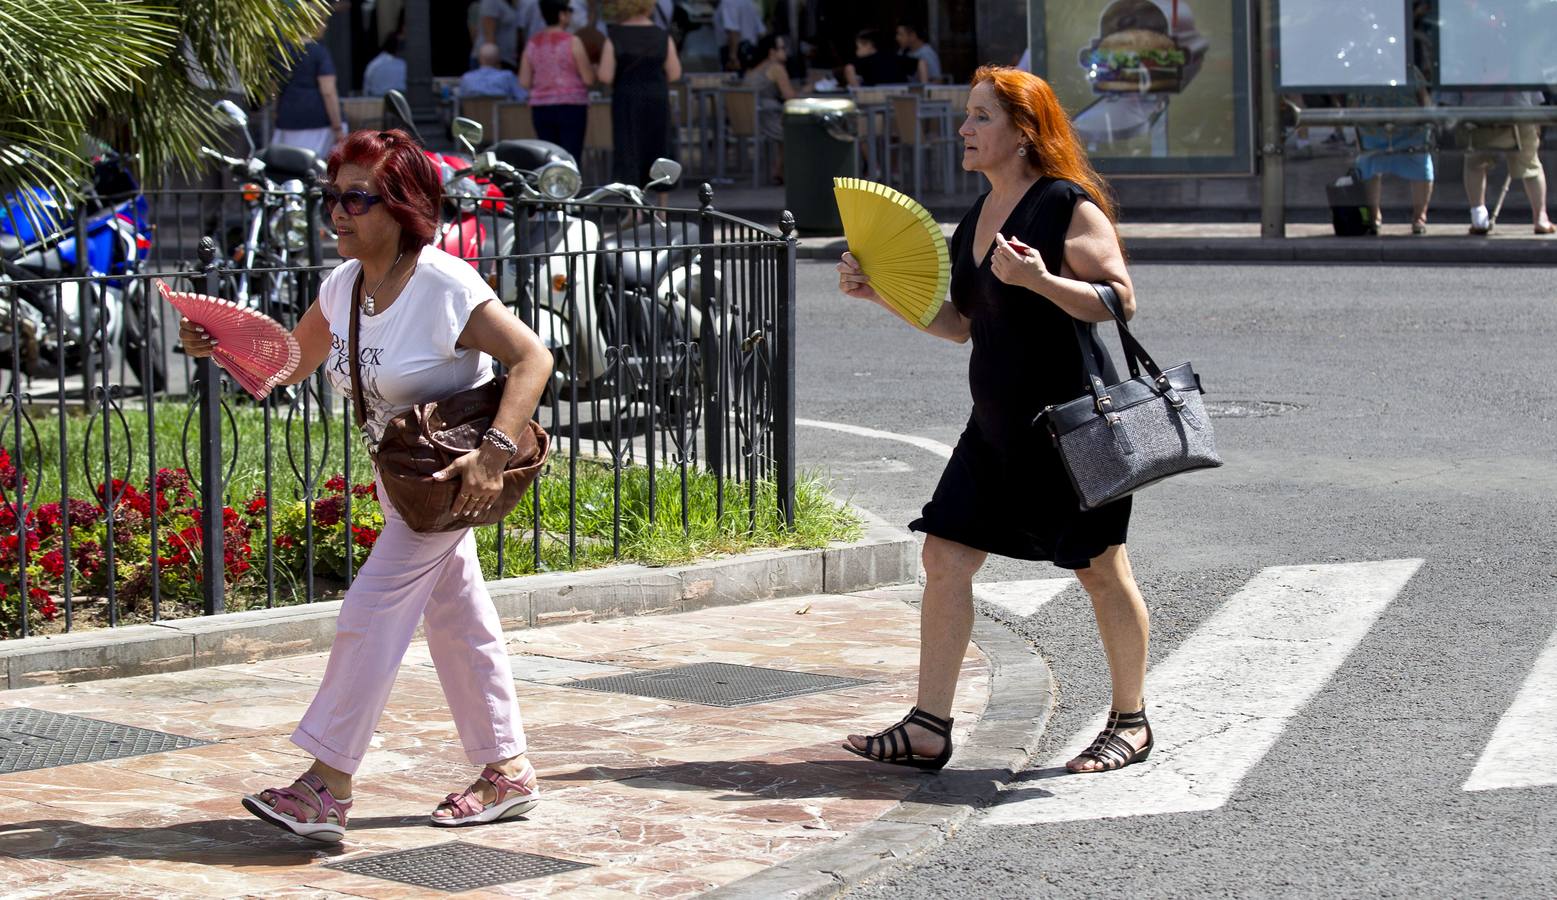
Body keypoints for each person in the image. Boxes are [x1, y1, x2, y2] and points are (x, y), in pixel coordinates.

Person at [180, 129, 555, 840]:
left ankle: (326, 784)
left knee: (370, 612)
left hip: (446, 482)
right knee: (458, 624)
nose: (339, 213)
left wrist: (493, 455)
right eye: (333, 197)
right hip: (402, 479)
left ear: (404, 204)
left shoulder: (444, 283)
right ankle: (506, 769)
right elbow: (287, 368)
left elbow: (532, 358)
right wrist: (218, 345)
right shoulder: (344, 284)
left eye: (359, 198)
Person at [836, 66, 1153, 775]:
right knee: (944, 555)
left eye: (980, 117)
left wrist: (1041, 280)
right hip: (995, 429)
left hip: (1072, 428)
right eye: (967, 116)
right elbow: (958, 327)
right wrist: (881, 293)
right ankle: (928, 726)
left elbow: (1119, 301)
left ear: (1022, 133)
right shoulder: (973, 220)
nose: (964, 130)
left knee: (1099, 570)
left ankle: (1129, 722)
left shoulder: (1065, 207)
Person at [598, 0, 682, 201]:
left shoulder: (615, 36)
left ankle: (633, 207)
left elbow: (605, 75)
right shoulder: (662, 36)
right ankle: (662, 205)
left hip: (626, 99)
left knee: (628, 147)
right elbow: (675, 72)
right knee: (659, 145)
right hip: (656, 98)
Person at [1454, 90, 1554, 235]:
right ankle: (1540, 217)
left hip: (1477, 111)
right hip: (1518, 107)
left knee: (1475, 164)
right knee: (1531, 165)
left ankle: (1478, 219)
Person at [1349, 66, 1435, 234]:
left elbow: (1424, 99)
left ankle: (1419, 216)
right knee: (1369, 164)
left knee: (1421, 165)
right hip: (1375, 131)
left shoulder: (1411, 71)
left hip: (1409, 131)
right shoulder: (1363, 73)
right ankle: (1375, 217)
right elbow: (1424, 99)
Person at [520, 0, 595, 160]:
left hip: (541, 107)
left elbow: (524, 81)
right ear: (562, 15)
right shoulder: (572, 41)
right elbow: (588, 78)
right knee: (571, 157)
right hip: (571, 106)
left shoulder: (533, 43)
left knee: (547, 158)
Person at [272, 27, 346, 158]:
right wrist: (338, 127)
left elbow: (274, 88)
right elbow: (328, 91)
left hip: (287, 117)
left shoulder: (282, 52)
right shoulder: (318, 52)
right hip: (317, 120)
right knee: (315, 169)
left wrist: (277, 112)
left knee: (288, 168)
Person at [741, 33, 799, 182]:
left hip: (749, 119)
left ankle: (778, 170)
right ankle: (780, 171)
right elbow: (789, 96)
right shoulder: (776, 68)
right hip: (767, 117)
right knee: (797, 130)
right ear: (772, 51)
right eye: (782, 48)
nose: (785, 51)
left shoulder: (751, 70)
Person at [461, 42, 529, 100]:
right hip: (503, 115)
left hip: (473, 115)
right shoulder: (507, 76)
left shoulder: (467, 78)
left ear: (479, 59)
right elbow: (523, 97)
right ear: (498, 59)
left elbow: (461, 100)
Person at [845, 29, 910, 88]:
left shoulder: (861, 63)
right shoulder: (895, 57)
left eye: (858, 47)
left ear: (869, 45)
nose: (856, 51)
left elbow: (849, 69)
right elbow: (918, 63)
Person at [716, 0, 763, 72]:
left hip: (736, 52)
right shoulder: (749, 2)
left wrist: (733, 57)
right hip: (751, 49)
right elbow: (761, 31)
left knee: (733, 81)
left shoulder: (728, 2)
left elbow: (733, 31)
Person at [480, 0, 522, 69]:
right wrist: (493, 61)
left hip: (507, 59)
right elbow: (489, 33)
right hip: (493, 61)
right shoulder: (491, 2)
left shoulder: (509, 4)